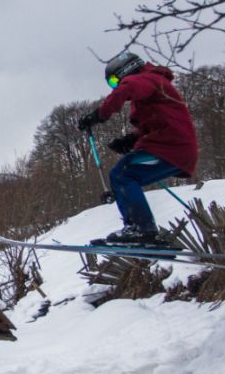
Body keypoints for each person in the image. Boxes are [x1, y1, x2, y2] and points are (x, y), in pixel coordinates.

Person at [76, 50, 199, 246]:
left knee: (123, 174)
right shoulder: (153, 87)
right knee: (124, 175)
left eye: (116, 81)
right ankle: (139, 229)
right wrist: (130, 141)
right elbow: (155, 124)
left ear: (127, 71)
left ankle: (141, 229)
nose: (116, 86)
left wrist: (98, 115)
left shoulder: (147, 79)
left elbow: (129, 87)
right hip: (172, 147)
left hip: (171, 148)